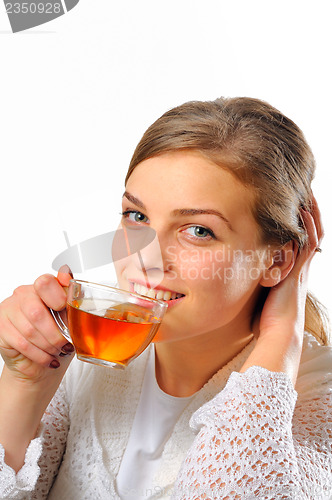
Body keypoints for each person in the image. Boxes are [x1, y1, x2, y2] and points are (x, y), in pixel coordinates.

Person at [0, 97, 331, 500]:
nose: (145, 261)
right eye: (136, 217)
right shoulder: (91, 355)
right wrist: (26, 379)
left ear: (277, 259)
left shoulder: (319, 399)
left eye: (197, 231)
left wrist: (283, 331)